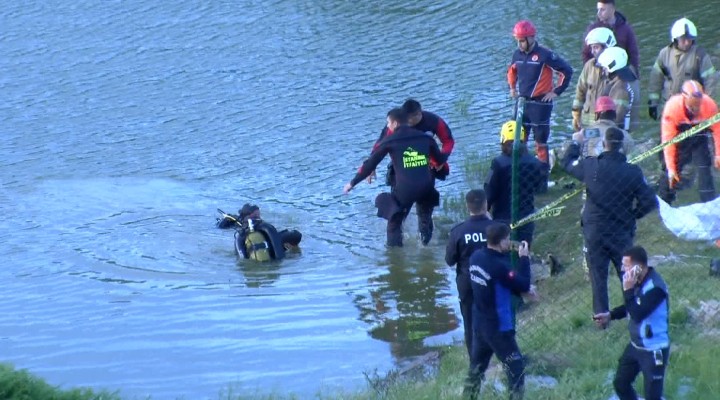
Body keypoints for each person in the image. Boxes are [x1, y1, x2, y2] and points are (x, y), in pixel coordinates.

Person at [563, 127, 657, 317]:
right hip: (621, 230)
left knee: (598, 277)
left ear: (604, 145)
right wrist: (632, 215)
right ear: (621, 146)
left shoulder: (592, 167)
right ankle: (634, 309)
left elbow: (567, 163)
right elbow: (650, 201)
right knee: (627, 272)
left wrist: (576, 141)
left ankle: (601, 316)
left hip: (594, 231)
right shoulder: (632, 172)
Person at [343, 107, 446, 247]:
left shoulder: (390, 141)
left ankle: (395, 259)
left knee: (394, 222)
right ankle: (426, 248)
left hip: (406, 189)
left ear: (396, 124)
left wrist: (352, 183)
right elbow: (439, 159)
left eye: (388, 123)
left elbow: (370, 163)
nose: (387, 126)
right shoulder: (426, 138)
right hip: (427, 186)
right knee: (425, 218)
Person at [465, 223, 536, 400]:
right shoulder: (499, 266)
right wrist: (524, 258)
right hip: (499, 329)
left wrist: (517, 288)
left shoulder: (476, 257)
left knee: (476, 371)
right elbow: (523, 282)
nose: (509, 242)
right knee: (516, 371)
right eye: (508, 239)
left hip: (480, 325)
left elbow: (495, 284)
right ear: (502, 240)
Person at [593, 246, 670, 400]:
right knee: (621, 384)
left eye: (626, 265)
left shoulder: (656, 288)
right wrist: (611, 315)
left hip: (654, 349)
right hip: (636, 346)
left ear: (639, 267)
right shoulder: (638, 281)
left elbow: (637, 314)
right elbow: (632, 305)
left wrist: (627, 290)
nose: (622, 269)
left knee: (653, 396)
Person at [507, 19, 573, 174]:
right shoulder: (517, 54)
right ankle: (520, 171)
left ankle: (542, 173)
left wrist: (556, 91)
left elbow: (566, 71)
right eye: (518, 41)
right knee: (517, 138)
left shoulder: (545, 54)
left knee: (540, 140)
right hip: (522, 102)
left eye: (522, 41)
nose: (520, 44)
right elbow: (512, 71)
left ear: (531, 38)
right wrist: (512, 88)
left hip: (540, 103)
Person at [445, 189, 495, 358]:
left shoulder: (457, 231)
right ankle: (501, 353)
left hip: (468, 283)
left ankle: (475, 361)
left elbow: (449, 260)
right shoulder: (495, 228)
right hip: (493, 281)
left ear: (468, 207)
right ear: (485, 204)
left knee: (470, 323)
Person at [484, 121, 547, 247]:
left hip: (502, 218)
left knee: (502, 255)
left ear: (503, 140)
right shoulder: (534, 162)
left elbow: (489, 190)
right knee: (523, 252)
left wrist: (485, 209)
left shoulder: (498, 163)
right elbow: (540, 187)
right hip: (526, 217)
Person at [658, 80, 720, 204]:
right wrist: (671, 168)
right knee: (671, 171)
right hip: (678, 135)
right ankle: (664, 201)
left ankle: (709, 204)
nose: (696, 110)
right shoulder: (672, 108)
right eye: (692, 107)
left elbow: (717, 131)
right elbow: (668, 140)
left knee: (705, 169)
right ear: (684, 99)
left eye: (698, 106)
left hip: (699, 136)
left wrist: (718, 154)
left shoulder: (709, 106)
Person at [368, 99, 454, 184]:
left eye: (408, 119)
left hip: (426, 163)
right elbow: (380, 145)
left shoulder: (433, 121)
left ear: (418, 114)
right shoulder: (396, 122)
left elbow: (448, 141)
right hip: (403, 162)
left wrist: (442, 159)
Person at [648, 17, 718, 121]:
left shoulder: (700, 55)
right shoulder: (664, 54)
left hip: (693, 109)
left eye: (689, 39)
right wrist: (653, 103)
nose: (687, 42)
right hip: (670, 108)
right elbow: (656, 80)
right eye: (683, 39)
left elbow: (711, 82)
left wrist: (710, 107)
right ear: (675, 39)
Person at [217, 204, 302, 261]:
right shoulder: (240, 229)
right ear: (246, 217)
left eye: (259, 216)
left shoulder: (242, 234)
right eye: (255, 216)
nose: (259, 218)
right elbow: (297, 235)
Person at [573, 27, 617, 131]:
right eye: (591, 48)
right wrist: (576, 114)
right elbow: (580, 90)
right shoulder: (589, 65)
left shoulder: (617, 68)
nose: (592, 52)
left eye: (596, 47)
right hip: (587, 121)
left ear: (607, 47)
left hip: (607, 123)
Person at [581, 0, 640, 77]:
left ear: (612, 9)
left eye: (602, 9)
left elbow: (633, 55)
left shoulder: (626, 30)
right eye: (598, 9)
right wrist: (591, 74)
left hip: (620, 75)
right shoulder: (593, 30)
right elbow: (586, 54)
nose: (598, 13)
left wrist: (634, 75)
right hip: (599, 75)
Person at [596, 46, 640, 132]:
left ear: (611, 67)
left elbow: (616, 118)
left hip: (620, 134)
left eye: (604, 68)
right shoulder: (629, 77)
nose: (603, 71)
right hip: (629, 130)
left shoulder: (620, 89)